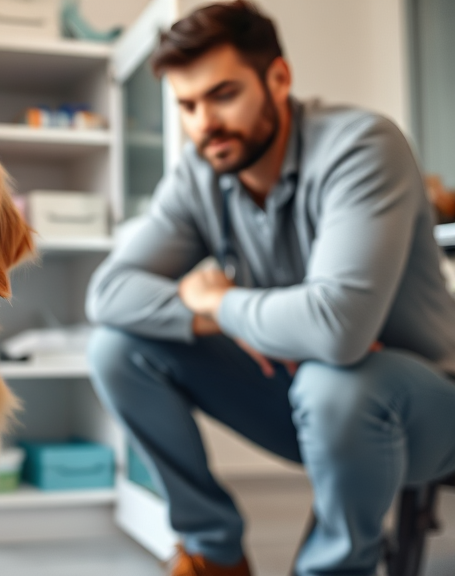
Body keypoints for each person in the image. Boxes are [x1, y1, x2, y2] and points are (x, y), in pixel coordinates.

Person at [85, 2, 455, 575]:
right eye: (188, 105)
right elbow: (107, 294)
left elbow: (336, 330)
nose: (204, 123)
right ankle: (214, 552)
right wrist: (221, 320)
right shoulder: (200, 174)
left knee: (337, 383)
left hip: (424, 407)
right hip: (303, 393)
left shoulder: (360, 147)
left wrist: (220, 301)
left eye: (223, 94)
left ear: (278, 79)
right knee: (116, 348)